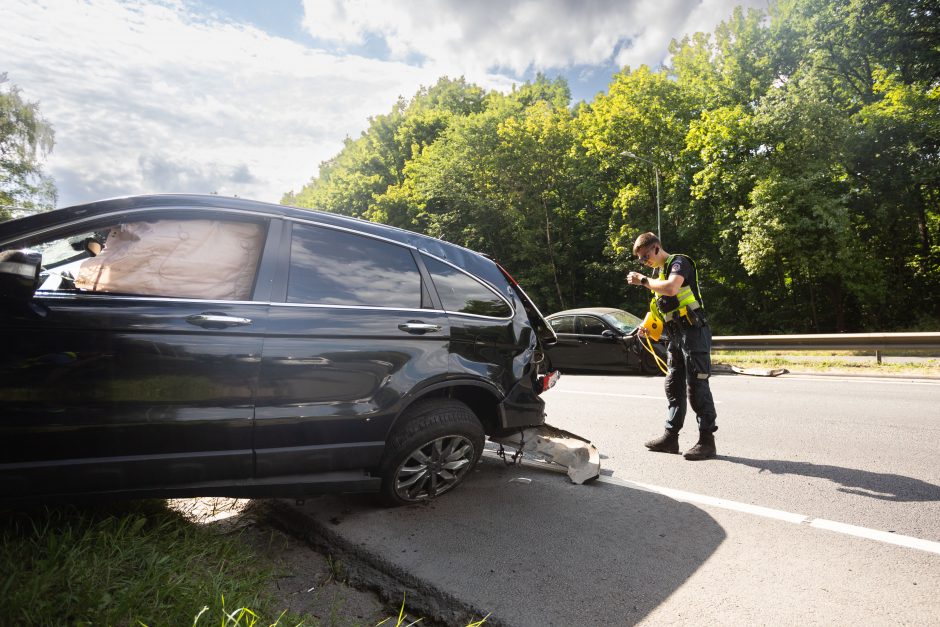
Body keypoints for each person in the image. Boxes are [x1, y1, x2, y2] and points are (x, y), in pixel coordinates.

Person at [626, 232, 718, 460]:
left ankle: (707, 441)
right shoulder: (659, 274)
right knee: (673, 385)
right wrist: (648, 326)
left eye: (645, 256)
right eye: (640, 259)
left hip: (694, 331)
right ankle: (670, 437)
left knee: (697, 385)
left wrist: (643, 281)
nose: (643, 262)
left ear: (656, 248)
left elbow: (672, 289)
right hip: (676, 336)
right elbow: (659, 310)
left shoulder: (679, 262)